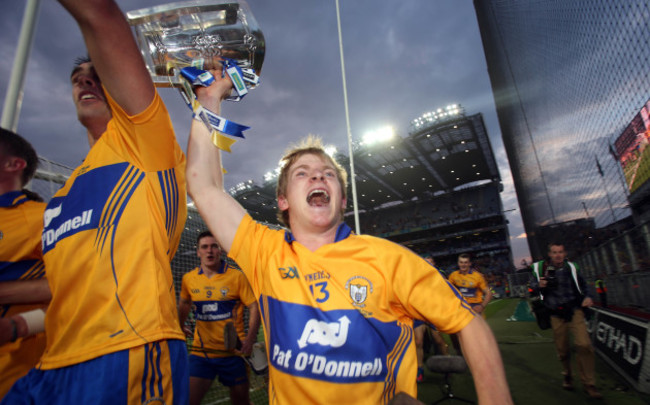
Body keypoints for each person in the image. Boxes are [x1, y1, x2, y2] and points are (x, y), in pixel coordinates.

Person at [185, 71, 513, 404]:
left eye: (329, 173)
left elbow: (468, 324)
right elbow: (203, 186)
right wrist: (209, 100)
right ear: (283, 201)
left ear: (342, 200)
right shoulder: (264, 252)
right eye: (303, 173)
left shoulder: (390, 261)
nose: (317, 174)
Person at [1, 0, 189, 403]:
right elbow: (63, 286)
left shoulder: (142, 143)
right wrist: (19, 325)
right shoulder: (61, 199)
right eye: (76, 78)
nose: (84, 82)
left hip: (125, 352)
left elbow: (101, 15)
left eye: (97, 74)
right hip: (52, 365)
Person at [179, 231, 261, 405]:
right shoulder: (189, 279)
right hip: (201, 354)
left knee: (241, 403)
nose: (209, 251)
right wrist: (180, 324)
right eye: (205, 247)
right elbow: (184, 303)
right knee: (187, 401)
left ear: (220, 250)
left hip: (233, 354)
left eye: (214, 246)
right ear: (198, 252)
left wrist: (250, 338)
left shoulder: (236, 277)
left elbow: (254, 306)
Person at [0, 130, 47, 398]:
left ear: (14, 164)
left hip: (15, 379)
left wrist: (19, 325)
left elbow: (83, 287)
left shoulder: (41, 218)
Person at [529, 242, 602, 399]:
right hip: (555, 314)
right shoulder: (541, 269)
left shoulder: (572, 268)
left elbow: (584, 285)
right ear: (549, 254)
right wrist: (538, 285)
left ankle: (589, 383)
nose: (558, 255)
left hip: (574, 310)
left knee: (584, 345)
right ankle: (567, 374)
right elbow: (531, 286)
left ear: (565, 253)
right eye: (554, 252)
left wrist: (588, 296)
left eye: (560, 252)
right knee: (562, 350)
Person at [447, 253, 492, 355]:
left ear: (470, 264)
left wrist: (482, 306)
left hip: (474, 308)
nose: (463, 265)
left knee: (476, 336)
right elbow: (448, 291)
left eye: (466, 262)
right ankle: (459, 351)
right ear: (458, 263)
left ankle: (479, 355)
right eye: (461, 262)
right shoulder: (453, 276)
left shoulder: (477, 276)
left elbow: (488, 293)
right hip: (460, 308)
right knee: (452, 331)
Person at [414, 256, 448, 383]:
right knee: (418, 342)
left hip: (433, 312)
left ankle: (447, 363)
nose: (427, 265)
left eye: (430, 263)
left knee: (438, 340)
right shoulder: (417, 275)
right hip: (419, 313)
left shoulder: (439, 275)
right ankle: (419, 370)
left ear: (434, 264)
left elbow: (446, 291)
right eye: (425, 263)